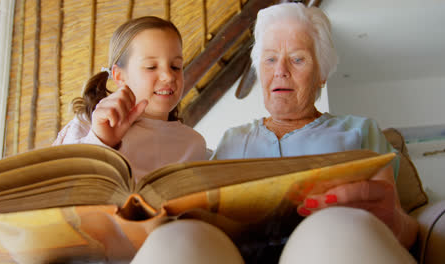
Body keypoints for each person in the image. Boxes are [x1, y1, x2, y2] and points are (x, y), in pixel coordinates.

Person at [132, 3, 418, 264]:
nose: (280, 71)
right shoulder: (232, 139)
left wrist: (394, 222)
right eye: (270, 60)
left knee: (332, 229)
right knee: (174, 238)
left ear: (321, 73)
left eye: (297, 59)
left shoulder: (359, 131)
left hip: (330, 249)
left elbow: (404, 228)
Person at [53, 16, 207, 182]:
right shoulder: (88, 124)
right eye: (151, 67)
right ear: (119, 76)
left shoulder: (193, 145)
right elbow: (60, 189)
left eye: (176, 66)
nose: (169, 76)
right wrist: (102, 141)